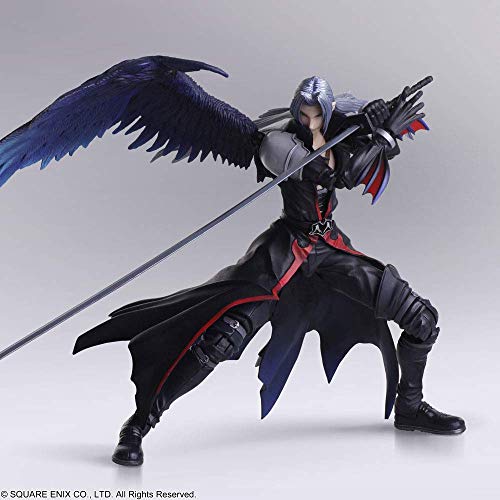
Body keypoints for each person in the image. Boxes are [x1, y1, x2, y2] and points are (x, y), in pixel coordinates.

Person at [0, 56, 465, 468]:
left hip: (330, 249)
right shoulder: (276, 144)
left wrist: (373, 119)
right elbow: (334, 171)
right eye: (302, 113)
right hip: (283, 252)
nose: (308, 120)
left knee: (421, 318)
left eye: (316, 114)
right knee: (220, 338)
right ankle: (139, 424)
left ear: (327, 113)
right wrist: (377, 133)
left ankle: (410, 406)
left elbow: (355, 163)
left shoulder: (338, 130)